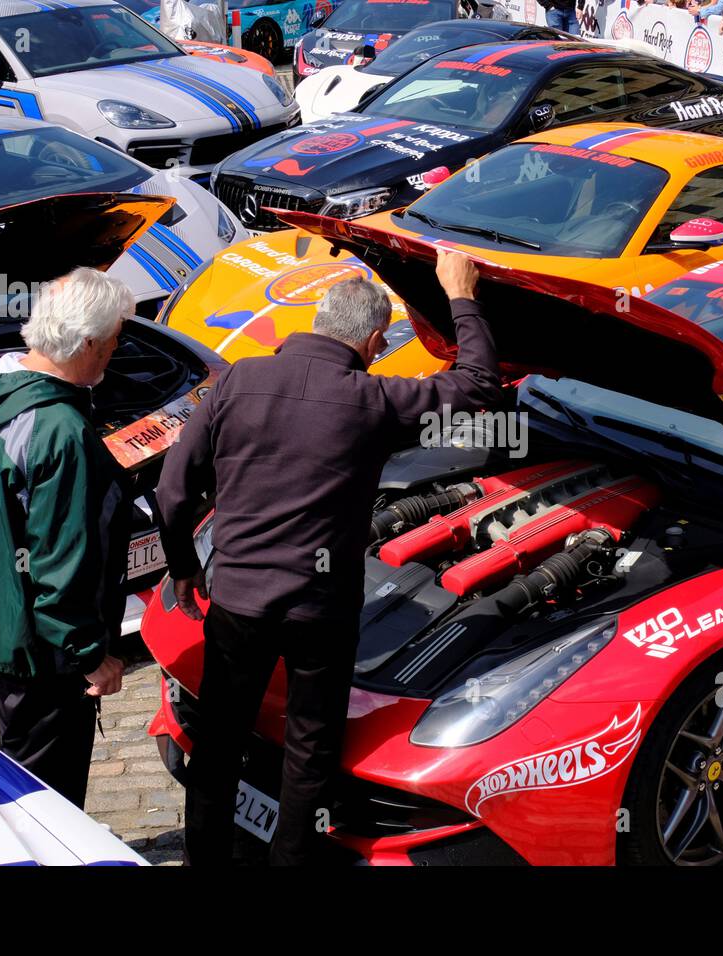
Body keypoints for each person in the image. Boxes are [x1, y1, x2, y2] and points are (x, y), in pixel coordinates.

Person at [157, 252, 502, 867]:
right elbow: (478, 384)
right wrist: (460, 295)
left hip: (237, 600)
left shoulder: (237, 380)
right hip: (321, 609)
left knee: (218, 739)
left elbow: (174, 491)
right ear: (374, 340)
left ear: (316, 320)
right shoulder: (375, 399)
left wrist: (185, 564)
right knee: (309, 747)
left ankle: (204, 861)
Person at [0, 268, 131, 809]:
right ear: (88, 342)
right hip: (47, 653)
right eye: (114, 341)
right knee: (47, 800)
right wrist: (91, 655)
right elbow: (60, 563)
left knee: (18, 767)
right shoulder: (59, 431)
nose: (116, 352)